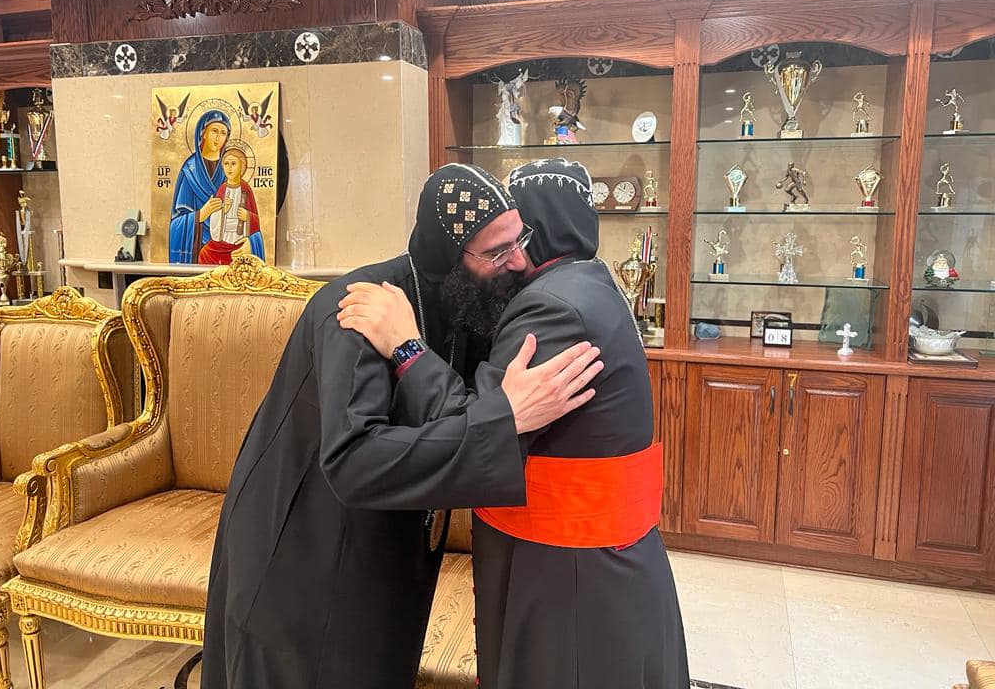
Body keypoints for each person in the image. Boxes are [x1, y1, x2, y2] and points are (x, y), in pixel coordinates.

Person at [201, 163, 604, 689]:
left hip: (385, 554)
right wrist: (506, 419)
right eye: (497, 252)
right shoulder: (359, 310)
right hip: (302, 552)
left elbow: (458, 408)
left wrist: (504, 410)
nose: (518, 261)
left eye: (519, 240)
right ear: (448, 258)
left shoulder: (471, 304)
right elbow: (353, 461)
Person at [340, 157, 690, 688]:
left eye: (518, 236)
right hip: (591, 561)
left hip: (567, 576)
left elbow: (475, 432)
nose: (512, 254)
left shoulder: (550, 309)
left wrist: (406, 346)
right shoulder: (588, 281)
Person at [169, 109, 232, 263]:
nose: (218, 138)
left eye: (223, 133)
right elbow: (176, 223)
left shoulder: (229, 168)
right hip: (197, 247)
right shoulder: (190, 170)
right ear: (203, 133)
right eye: (214, 131)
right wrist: (201, 214)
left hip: (225, 245)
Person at [197, 143, 264, 263]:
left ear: (241, 166)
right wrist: (223, 211)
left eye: (233, 164)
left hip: (239, 241)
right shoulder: (222, 189)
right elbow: (214, 221)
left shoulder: (246, 189)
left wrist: (247, 216)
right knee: (204, 253)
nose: (229, 168)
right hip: (222, 241)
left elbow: (257, 222)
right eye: (226, 164)